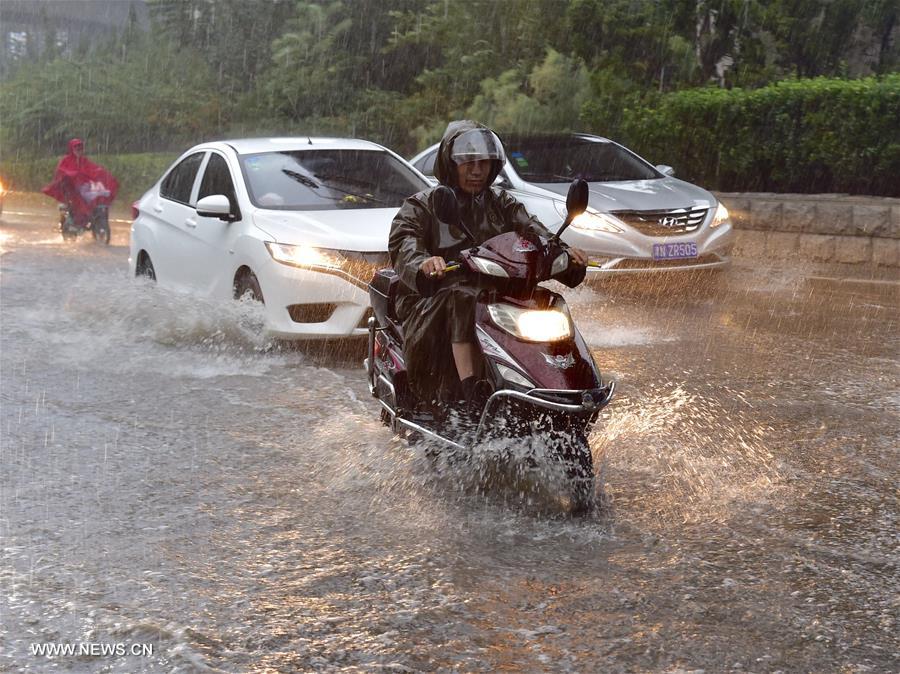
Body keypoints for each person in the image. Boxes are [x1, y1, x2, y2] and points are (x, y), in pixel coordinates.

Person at [389, 120, 588, 409]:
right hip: (431, 298)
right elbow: (403, 243)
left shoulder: (501, 202)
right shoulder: (424, 205)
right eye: (468, 163)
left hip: (496, 292)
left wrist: (565, 254)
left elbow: (534, 231)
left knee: (547, 302)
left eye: (484, 163)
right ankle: (470, 392)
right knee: (463, 297)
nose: (476, 170)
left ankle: (566, 381)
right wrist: (424, 263)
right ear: (450, 163)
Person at [42, 138, 119, 228]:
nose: (79, 150)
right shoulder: (66, 160)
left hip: (84, 187)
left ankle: (94, 219)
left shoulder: (83, 160)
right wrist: (72, 175)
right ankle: (80, 220)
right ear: (72, 149)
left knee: (100, 195)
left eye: (80, 148)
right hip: (71, 189)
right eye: (76, 148)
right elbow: (62, 172)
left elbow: (92, 169)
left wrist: (102, 173)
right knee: (83, 199)